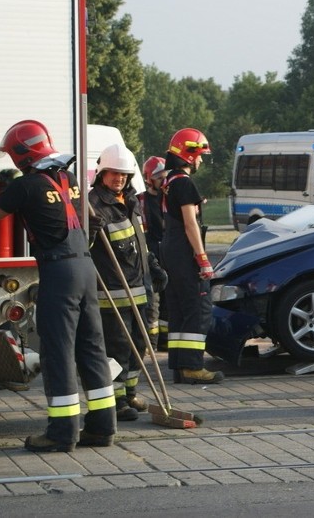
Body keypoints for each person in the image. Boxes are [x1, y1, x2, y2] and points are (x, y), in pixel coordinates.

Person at [0, 120, 116, 451]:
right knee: (91, 347)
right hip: (85, 267)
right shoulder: (67, 178)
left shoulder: (25, 186)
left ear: (20, 155)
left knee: (58, 353)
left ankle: (61, 433)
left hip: (59, 272)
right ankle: (102, 428)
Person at [88, 143, 152, 422]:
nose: (119, 179)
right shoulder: (92, 205)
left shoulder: (131, 202)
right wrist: (90, 231)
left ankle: (129, 393)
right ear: (102, 174)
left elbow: (139, 243)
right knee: (117, 348)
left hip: (139, 288)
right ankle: (114, 401)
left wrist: (154, 267)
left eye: (124, 175)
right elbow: (85, 245)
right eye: (113, 173)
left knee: (139, 344)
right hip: (112, 293)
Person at [161, 128, 224, 384]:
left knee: (180, 309)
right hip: (185, 253)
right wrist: (202, 258)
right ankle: (193, 367)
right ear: (189, 155)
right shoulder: (185, 183)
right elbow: (190, 224)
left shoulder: (170, 181)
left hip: (170, 250)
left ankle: (179, 366)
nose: (200, 161)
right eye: (199, 156)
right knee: (198, 309)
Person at [140, 156, 169, 351]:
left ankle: (166, 342)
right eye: (159, 177)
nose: (163, 181)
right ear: (149, 179)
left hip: (169, 252)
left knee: (170, 300)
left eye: (165, 177)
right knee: (153, 301)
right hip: (151, 255)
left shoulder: (170, 199)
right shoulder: (140, 201)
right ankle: (151, 344)